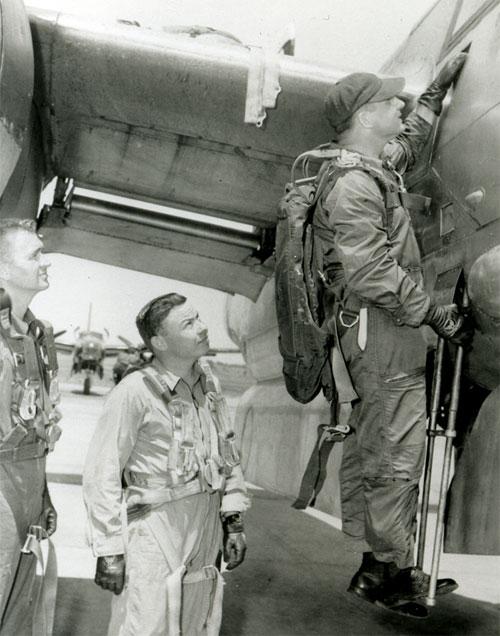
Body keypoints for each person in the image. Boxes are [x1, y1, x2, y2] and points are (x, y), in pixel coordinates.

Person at [313, 54, 471, 616]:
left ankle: (380, 566)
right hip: (383, 334)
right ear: (361, 118)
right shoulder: (355, 186)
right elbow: (372, 273)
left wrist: (434, 96)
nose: (398, 108)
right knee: (393, 456)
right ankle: (391, 570)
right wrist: (436, 314)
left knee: (385, 447)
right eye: (387, 103)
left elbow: (407, 138)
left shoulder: (376, 166)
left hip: (386, 333)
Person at [83, 293, 250, 636]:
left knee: (198, 623)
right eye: (189, 324)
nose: (203, 328)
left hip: (205, 529)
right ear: (160, 342)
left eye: (199, 317)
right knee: (146, 625)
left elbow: (227, 456)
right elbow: (102, 473)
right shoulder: (134, 392)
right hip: (155, 530)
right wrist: (110, 549)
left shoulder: (210, 387)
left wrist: (233, 521)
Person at [0, 219, 61, 634]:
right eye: (34, 255)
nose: (45, 262)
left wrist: (43, 494)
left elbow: (35, 427)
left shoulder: (34, 338)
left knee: (17, 609)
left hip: (25, 488)